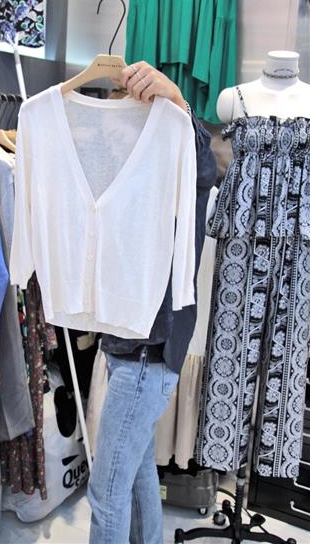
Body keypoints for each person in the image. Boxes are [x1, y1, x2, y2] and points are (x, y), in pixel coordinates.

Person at [87, 61, 217, 544]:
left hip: (149, 352)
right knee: (138, 474)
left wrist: (177, 102)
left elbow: (205, 165)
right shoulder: (120, 180)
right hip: (124, 347)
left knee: (106, 493)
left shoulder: (178, 168)